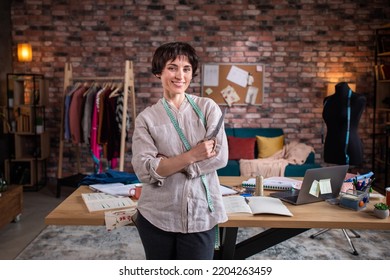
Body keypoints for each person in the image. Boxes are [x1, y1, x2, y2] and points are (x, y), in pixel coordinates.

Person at [131, 42, 229, 260]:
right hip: (156, 215)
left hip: (201, 214)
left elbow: (220, 157)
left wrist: (168, 165)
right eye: (172, 67)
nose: (180, 75)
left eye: (186, 69)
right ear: (159, 72)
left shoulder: (208, 108)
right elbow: (145, 171)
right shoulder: (146, 118)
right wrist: (193, 155)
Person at [322, 82, 366, 165]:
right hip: (331, 145)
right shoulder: (327, 100)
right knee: (337, 176)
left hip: (349, 146)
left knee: (347, 176)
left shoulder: (358, 99)